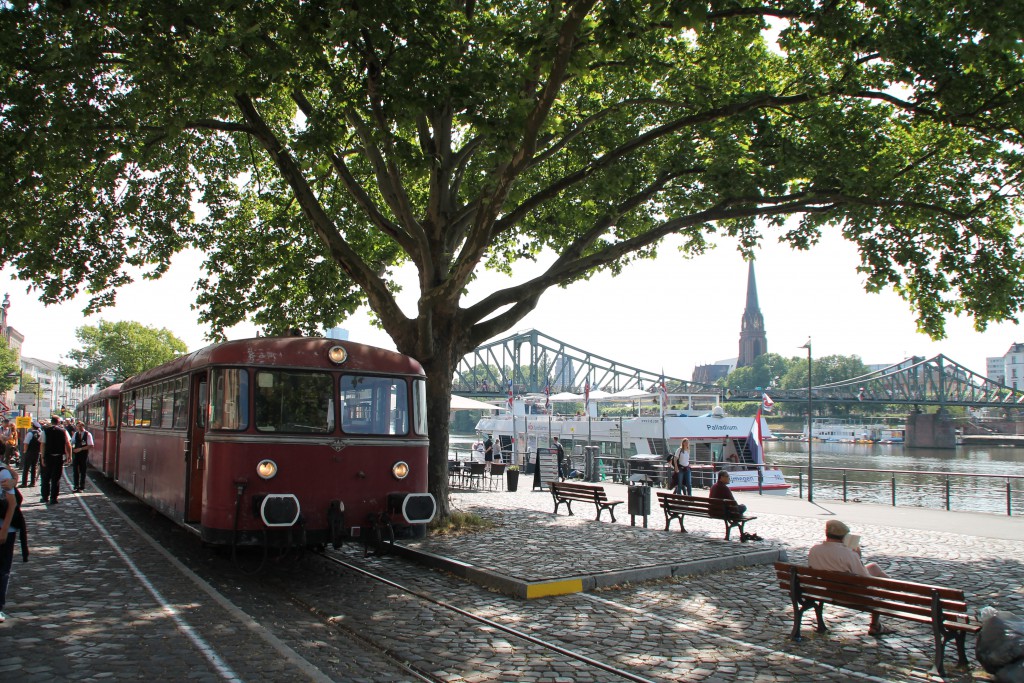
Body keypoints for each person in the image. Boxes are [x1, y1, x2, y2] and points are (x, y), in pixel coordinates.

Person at [808, 519, 890, 636]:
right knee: (875, 585)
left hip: (829, 591)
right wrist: (857, 556)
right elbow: (865, 580)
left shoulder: (815, 549)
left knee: (873, 567)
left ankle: (895, 588)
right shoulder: (847, 553)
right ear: (844, 537)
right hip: (851, 595)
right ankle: (875, 625)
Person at [0, 463, 23, 623]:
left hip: (4, 528)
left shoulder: (2, 473)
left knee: (2, 571)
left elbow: (12, 503)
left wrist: (4, 529)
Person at [40, 416, 72, 505]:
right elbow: (68, 444)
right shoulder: (63, 431)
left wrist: (42, 457)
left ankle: (45, 497)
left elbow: (42, 444)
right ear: (58, 422)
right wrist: (69, 456)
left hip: (48, 457)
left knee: (46, 478)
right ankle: (54, 498)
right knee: (56, 478)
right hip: (58, 457)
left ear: (51, 421)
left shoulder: (45, 431)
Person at [71, 421, 94, 492]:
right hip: (76, 454)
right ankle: (76, 486)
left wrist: (80, 449)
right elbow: (72, 442)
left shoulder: (88, 434)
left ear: (83, 426)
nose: (79, 428)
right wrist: (73, 448)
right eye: (78, 426)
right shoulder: (76, 434)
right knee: (75, 470)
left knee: (83, 471)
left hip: (83, 454)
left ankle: (82, 487)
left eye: (80, 426)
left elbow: (91, 445)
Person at [20, 421, 42, 488]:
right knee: (34, 467)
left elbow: (26, 443)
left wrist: (25, 451)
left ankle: (24, 483)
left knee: (26, 467)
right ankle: (33, 482)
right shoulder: (40, 433)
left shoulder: (30, 433)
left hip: (30, 452)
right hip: (37, 452)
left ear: (32, 426)